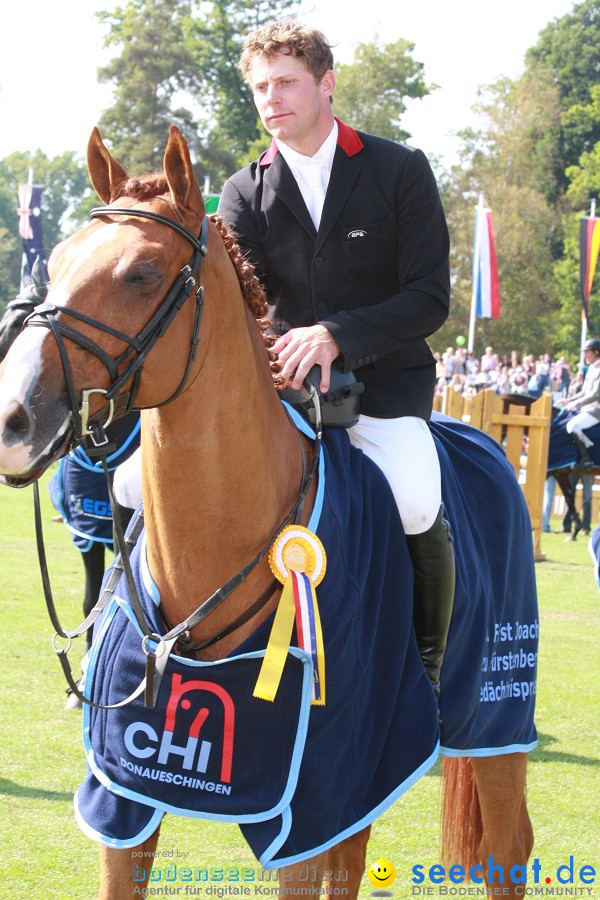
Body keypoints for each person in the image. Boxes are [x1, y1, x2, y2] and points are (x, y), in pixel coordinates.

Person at [217, 19, 454, 697]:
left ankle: (426, 681)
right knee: (131, 487)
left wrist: (337, 332)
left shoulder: (400, 168)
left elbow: (429, 298)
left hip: (385, 390)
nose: (271, 97)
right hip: (285, 396)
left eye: (286, 81)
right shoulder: (243, 192)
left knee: (413, 501)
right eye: (260, 86)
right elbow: (248, 313)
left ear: (326, 84)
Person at [557, 338, 600, 466]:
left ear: (596, 352)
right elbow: (584, 392)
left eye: (587, 352)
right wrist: (569, 400)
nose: (585, 355)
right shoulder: (592, 368)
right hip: (588, 408)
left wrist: (577, 404)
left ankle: (587, 457)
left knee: (572, 426)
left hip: (597, 410)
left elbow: (596, 394)